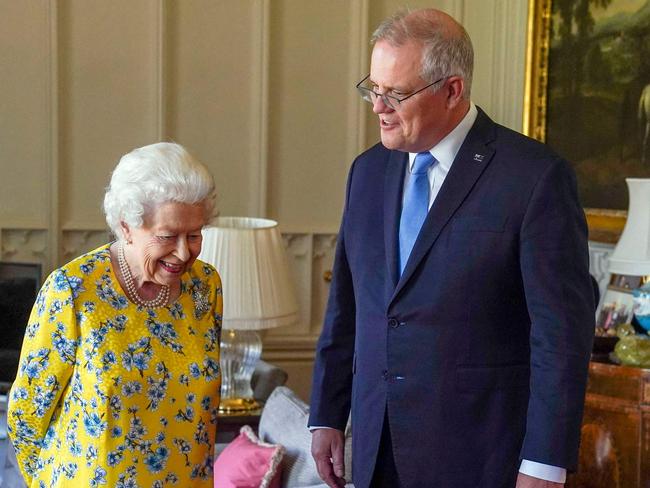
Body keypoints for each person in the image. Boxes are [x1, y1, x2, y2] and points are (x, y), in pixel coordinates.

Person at [309, 9, 594, 488]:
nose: (378, 106)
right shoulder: (367, 172)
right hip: (376, 449)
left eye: (395, 94)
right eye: (372, 89)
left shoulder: (534, 177)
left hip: (482, 456)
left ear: (453, 89)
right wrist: (326, 414)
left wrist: (545, 462)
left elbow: (561, 335)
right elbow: (348, 306)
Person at [8, 142, 222, 487]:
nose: (184, 252)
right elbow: (27, 414)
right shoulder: (73, 291)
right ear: (126, 227)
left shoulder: (205, 287)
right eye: (167, 236)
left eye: (194, 235)